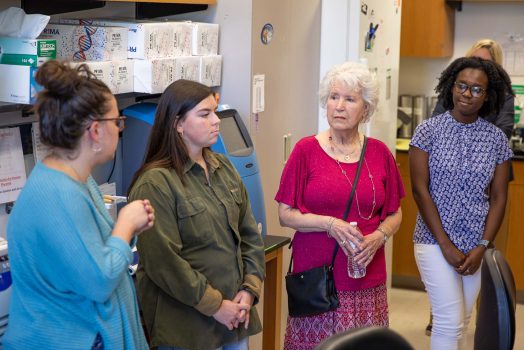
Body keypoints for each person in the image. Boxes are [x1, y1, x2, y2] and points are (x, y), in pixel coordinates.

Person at [4, 60, 155, 349]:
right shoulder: (57, 194)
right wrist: (125, 225)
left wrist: (129, 228)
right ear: (95, 131)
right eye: (117, 121)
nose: (120, 129)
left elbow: (93, 251)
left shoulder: (75, 180)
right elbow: (99, 279)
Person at [275, 61, 405, 349]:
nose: (339, 106)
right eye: (334, 97)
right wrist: (329, 224)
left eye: (349, 99)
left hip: (365, 274)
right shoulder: (305, 151)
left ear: (366, 109)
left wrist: (380, 236)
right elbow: (285, 214)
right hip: (318, 276)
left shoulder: (380, 153)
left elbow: (396, 213)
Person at [127, 79, 265, 350]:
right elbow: (164, 262)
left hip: (236, 317)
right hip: (188, 329)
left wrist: (249, 290)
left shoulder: (222, 166)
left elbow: (250, 235)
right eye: (205, 114)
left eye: (215, 112)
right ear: (178, 124)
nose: (216, 121)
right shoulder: (155, 183)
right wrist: (215, 305)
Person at [410, 56, 514, 350]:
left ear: (487, 96)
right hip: (433, 240)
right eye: (462, 86)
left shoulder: (496, 140)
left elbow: (498, 197)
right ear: (451, 87)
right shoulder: (428, 131)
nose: (467, 94)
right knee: (448, 320)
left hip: (474, 246)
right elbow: (420, 190)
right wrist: (445, 244)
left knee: (463, 319)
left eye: (477, 89)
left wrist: (482, 245)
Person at [432, 39, 514, 139]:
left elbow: (503, 134)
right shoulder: (453, 88)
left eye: (485, 63)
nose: (478, 66)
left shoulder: (504, 95)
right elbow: (435, 126)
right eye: (474, 59)